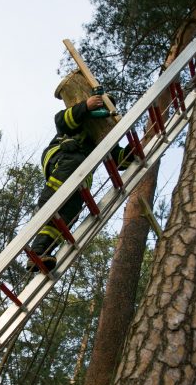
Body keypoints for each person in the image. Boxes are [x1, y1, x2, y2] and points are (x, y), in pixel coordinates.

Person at [27, 87, 136, 272]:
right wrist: (86, 106)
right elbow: (60, 120)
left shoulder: (102, 134)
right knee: (74, 162)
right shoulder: (79, 116)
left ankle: (39, 253)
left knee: (71, 210)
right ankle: (45, 204)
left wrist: (132, 149)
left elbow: (119, 160)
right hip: (60, 156)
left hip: (80, 176)